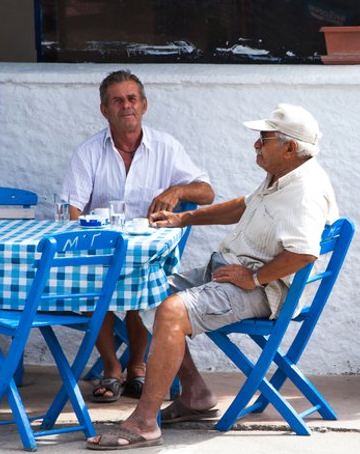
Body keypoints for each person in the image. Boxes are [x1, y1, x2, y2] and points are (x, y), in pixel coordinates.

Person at [86, 103, 338, 450]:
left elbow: (304, 251)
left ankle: (144, 422)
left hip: (259, 291)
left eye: (263, 139)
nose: (256, 145)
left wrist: (255, 278)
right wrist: (183, 219)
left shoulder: (304, 190)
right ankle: (196, 394)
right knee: (150, 290)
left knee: (172, 311)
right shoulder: (282, 175)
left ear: (290, 148)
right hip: (231, 270)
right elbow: (243, 206)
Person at [61, 69, 214, 402]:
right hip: (101, 252)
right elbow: (72, 209)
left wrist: (178, 189)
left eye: (132, 99)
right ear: (105, 110)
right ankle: (113, 368)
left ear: (144, 105)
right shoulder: (88, 152)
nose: (126, 106)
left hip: (148, 254)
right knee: (86, 281)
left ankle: (139, 368)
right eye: (117, 100)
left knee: (145, 280)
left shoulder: (166, 147)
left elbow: (207, 193)